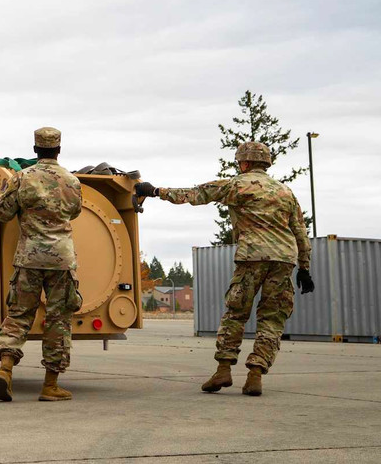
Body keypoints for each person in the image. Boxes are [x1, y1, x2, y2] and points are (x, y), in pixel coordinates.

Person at [135, 142, 314, 396]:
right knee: (272, 319)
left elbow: (195, 194)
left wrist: (155, 191)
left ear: (246, 163)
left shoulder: (236, 185)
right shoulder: (286, 192)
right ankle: (255, 375)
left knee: (235, 313)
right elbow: (300, 232)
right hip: (284, 260)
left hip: (252, 257)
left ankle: (223, 370)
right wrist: (304, 267)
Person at [0, 127, 83, 402]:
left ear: (35, 150)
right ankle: (50, 385)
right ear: (58, 150)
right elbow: (75, 212)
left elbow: (2, 212)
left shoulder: (22, 178)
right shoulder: (72, 181)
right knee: (58, 320)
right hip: (61, 261)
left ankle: (5, 370)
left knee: (19, 314)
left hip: (29, 258)